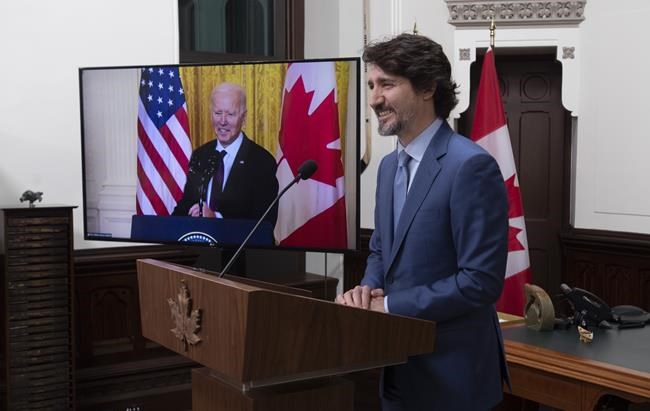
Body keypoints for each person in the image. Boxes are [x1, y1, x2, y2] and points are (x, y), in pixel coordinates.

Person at [335, 34, 510, 410]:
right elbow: (381, 251)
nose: (374, 99)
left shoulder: (471, 166)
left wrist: (389, 305)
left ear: (428, 87)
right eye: (371, 85)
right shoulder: (387, 168)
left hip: (453, 378)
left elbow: (480, 281)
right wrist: (367, 290)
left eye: (387, 84)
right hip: (396, 368)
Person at [173, 83, 279, 226]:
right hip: (199, 240)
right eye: (218, 113)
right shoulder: (201, 155)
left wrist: (216, 218)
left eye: (230, 114)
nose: (223, 121)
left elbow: (264, 224)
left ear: (244, 117)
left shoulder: (262, 162)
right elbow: (187, 205)